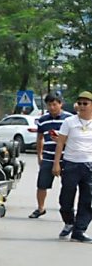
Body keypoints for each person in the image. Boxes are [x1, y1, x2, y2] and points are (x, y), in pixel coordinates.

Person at [52, 90, 92, 242]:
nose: (82, 106)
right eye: (79, 103)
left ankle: (79, 231)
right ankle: (69, 221)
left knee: (87, 199)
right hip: (71, 164)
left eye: (85, 104)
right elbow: (60, 142)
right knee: (66, 199)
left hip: (89, 165)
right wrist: (56, 164)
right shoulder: (69, 122)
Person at [31, 93, 71, 218]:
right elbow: (40, 139)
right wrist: (39, 156)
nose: (52, 107)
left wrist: (61, 140)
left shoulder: (69, 119)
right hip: (48, 156)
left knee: (68, 186)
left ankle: (67, 209)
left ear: (61, 104)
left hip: (66, 157)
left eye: (55, 104)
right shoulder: (43, 120)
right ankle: (40, 208)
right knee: (42, 184)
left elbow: (76, 138)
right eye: (49, 105)